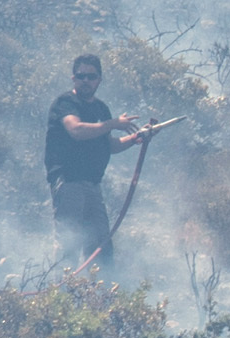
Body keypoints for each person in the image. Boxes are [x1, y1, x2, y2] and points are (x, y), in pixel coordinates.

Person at [44, 55, 153, 269]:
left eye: (91, 76)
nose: (86, 80)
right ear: (73, 78)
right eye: (81, 76)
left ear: (99, 79)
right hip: (69, 182)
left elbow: (109, 146)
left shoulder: (101, 110)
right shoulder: (65, 103)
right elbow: (76, 130)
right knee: (69, 243)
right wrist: (112, 123)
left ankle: (99, 295)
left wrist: (135, 138)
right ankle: (62, 292)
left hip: (93, 186)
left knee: (100, 246)